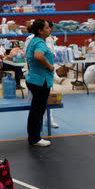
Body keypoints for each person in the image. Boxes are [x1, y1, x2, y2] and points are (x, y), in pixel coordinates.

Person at [25, 19, 54, 147]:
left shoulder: (33, 41)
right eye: (47, 28)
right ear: (40, 31)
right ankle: (35, 138)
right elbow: (38, 56)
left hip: (33, 79)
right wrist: (49, 66)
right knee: (38, 110)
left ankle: (34, 136)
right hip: (40, 81)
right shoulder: (40, 43)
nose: (50, 30)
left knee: (35, 109)